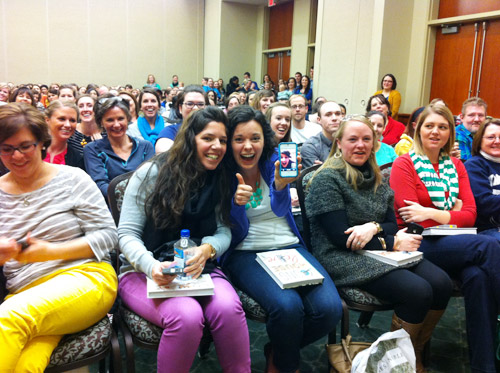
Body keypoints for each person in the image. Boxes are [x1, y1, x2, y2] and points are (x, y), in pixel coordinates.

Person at [306, 114, 452, 372]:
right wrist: (390, 242)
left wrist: (372, 227)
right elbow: (342, 238)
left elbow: (391, 224)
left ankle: (412, 353)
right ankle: (394, 362)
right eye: (352, 139)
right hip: (339, 256)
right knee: (417, 291)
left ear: (375, 143)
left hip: (377, 250)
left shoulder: (377, 177)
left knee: (441, 284)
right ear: (339, 143)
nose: (360, 145)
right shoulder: (327, 178)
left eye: (366, 139)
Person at [118, 107, 251, 373]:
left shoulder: (220, 177)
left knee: (229, 308)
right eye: (208, 138)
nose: (217, 147)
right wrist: (151, 266)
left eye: (223, 141)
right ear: (190, 138)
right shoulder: (151, 173)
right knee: (187, 316)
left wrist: (207, 249)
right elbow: (126, 235)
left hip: (198, 268)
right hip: (144, 271)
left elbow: (224, 231)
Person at [221, 106, 342, 373]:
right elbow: (230, 228)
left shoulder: (274, 162)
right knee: (288, 307)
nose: (248, 146)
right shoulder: (222, 172)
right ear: (229, 142)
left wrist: (279, 186)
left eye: (255, 138)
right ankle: (286, 366)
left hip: (288, 244)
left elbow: (279, 210)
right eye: (239, 139)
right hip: (246, 251)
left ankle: (278, 349)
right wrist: (236, 203)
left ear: (265, 139)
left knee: (330, 309)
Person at [0, 103, 117, 371]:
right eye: (7, 149)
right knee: (25, 364)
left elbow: (109, 236)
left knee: (8, 319)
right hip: (25, 292)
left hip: (86, 278)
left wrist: (51, 251)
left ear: (42, 143)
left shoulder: (73, 179)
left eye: (25, 146)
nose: (16, 156)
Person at [390, 104, 500, 373]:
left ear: (451, 131)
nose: (436, 132)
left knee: (478, 276)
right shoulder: (404, 163)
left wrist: (431, 212)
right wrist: (448, 212)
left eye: (442, 126)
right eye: (430, 126)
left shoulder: (456, 166)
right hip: (418, 243)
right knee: (490, 243)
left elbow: (470, 215)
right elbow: (413, 218)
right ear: (418, 129)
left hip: (456, 242)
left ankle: (484, 366)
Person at [83, 96, 154, 198]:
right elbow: (100, 186)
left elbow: (150, 182)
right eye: (110, 120)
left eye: (121, 118)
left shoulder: (145, 147)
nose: (116, 125)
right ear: (101, 122)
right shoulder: (92, 149)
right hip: (111, 209)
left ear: (128, 119)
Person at [465, 118, 500, 239]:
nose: (497, 141)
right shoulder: (474, 165)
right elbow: (484, 203)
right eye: (491, 137)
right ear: (480, 140)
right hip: (487, 229)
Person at [155, 85, 208, 153]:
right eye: (189, 104)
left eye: (200, 104)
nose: (195, 108)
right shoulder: (170, 132)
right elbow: (164, 156)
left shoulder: (214, 132)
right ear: (180, 108)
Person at [301, 101, 343, 168]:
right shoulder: (310, 146)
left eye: (338, 114)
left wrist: (324, 168)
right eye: (328, 115)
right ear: (319, 120)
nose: (334, 118)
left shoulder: (350, 142)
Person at [44, 100, 84, 169]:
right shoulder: (32, 150)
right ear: (47, 120)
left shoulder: (77, 158)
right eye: (62, 119)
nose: (68, 125)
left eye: (72, 120)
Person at [455, 97, 487, 161]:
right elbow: (468, 166)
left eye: (480, 115)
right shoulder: (458, 135)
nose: (477, 119)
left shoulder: (486, 134)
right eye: (471, 115)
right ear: (462, 117)